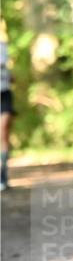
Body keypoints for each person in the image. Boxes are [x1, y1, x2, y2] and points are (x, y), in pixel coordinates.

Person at [0, 39, 14, 192]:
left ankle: (2, 175)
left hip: (4, 94)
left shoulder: (3, 46)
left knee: (3, 131)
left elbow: (4, 66)